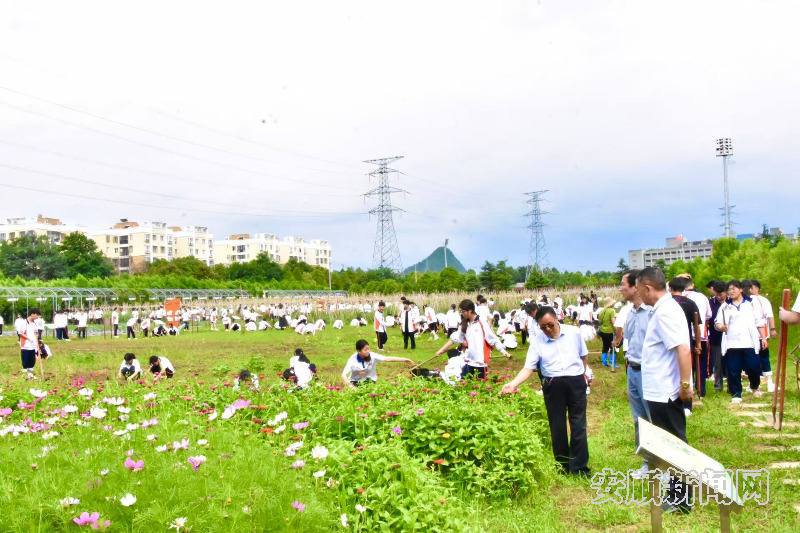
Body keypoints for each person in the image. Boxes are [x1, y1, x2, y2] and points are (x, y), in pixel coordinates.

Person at [501, 306, 591, 477]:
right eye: (543, 327)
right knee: (557, 425)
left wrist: (583, 375)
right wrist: (513, 383)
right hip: (553, 384)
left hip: (575, 381)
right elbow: (528, 367)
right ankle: (562, 465)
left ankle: (579, 467)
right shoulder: (537, 341)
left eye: (550, 325)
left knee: (578, 424)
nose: (548, 329)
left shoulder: (574, 333)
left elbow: (583, 356)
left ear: (557, 319)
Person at [636, 267, 693, 514]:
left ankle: (681, 499)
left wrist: (685, 385)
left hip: (666, 391)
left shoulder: (666, 312)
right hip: (659, 390)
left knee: (674, 444)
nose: (638, 295)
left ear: (648, 288)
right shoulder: (661, 310)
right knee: (668, 444)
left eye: (639, 290)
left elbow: (683, 349)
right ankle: (675, 493)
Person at [614, 270, 651, 478]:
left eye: (623, 284)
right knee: (639, 419)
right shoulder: (630, 312)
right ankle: (648, 463)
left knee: (654, 419)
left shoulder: (652, 312)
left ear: (635, 287)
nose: (620, 288)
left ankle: (664, 466)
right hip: (633, 369)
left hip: (649, 372)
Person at [434, 299, 512, 380]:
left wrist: (503, 351)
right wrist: (441, 350)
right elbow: (454, 339)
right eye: (461, 312)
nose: (462, 314)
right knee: (463, 384)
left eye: (463, 311)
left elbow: (492, 339)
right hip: (468, 362)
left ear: (470, 310)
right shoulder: (464, 324)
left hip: (480, 364)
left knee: (479, 386)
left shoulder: (482, 322)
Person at [714, 280, 765, 402]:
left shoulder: (751, 304)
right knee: (733, 369)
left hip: (749, 342)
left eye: (733, 289)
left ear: (741, 289)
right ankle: (736, 393)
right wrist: (721, 327)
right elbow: (717, 323)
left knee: (753, 366)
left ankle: (754, 386)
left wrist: (763, 337)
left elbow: (759, 322)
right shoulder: (725, 306)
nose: (731, 292)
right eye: (729, 290)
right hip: (732, 343)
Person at [668, 277, 702, 416]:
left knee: (671, 370)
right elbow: (696, 325)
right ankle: (687, 405)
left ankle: (674, 402)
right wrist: (698, 342)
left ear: (670, 288)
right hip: (686, 341)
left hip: (669, 342)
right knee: (688, 371)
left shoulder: (667, 303)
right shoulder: (690, 303)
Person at [745, 279, 777, 392]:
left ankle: (768, 383)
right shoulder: (747, 300)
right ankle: (757, 383)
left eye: (751, 287)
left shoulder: (761, 300)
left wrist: (772, 329)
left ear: (756, 288)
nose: (749, 290)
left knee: (762, 358)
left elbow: (770, 316)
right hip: (752, 335)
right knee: (757, 359)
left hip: (761, 334)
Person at [341, 339, 414, 388]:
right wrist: (350, 385)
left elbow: (387, 359)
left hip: (369, 380)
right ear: (358, 351)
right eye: (365, 350)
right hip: (355, 381)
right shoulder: (353, 359)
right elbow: (344, 375)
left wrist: (404, 359)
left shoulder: (372, 355)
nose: (368, 351)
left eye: (368, 349)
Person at [708, 281, 728, 392]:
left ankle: (732, 385)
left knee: (730, 362)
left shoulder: (730, 302)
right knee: (718, 362)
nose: (719, 297)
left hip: (730, 337)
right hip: (716, 337)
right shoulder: (710, 303)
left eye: (721, 294)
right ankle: (718, 386)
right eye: (717, 295)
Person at [20, 308, 42, 379]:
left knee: (32, 360)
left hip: (33, 345)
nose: (37, 317)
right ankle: (25, 374)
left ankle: (30, 374)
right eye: (36, 315)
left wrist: (37, 335)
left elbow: (37, 333)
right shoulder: (24, 322)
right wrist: (28, 338)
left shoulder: (34, 323)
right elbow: (20, 333)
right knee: (26, 359)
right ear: (32, 314)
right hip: (26, 344)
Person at [597, 297, 617, 369]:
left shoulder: (602, 311)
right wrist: (617, 330)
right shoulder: (612, 310)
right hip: (610, 331)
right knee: (612, 347)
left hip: (603, 331)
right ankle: (612, 363)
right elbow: (613, 322)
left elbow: (600, 321)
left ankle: (604, 362)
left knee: (605, 346)